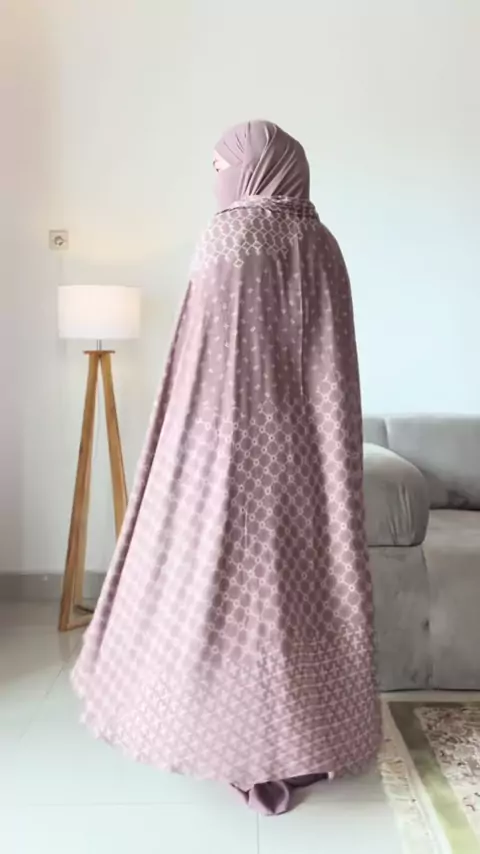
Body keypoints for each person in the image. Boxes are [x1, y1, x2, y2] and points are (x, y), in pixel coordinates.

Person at [72, 120, 381, 816]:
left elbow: (204, 358)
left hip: (234, 455)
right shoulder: (324, 244)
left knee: (230, 596)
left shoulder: (231, 234)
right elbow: (336, 369)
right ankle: (309, 737)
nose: (215, 178)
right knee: (301, 591)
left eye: (220, 165)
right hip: (312, 458)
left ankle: (238, 739)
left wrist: (179, 448)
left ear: (252, 168)